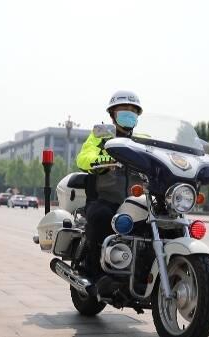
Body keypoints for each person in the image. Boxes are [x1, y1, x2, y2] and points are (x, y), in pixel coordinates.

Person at [76, 90, 143, 286]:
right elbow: (84, 157)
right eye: (123, 110)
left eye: (133, 111)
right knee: (101, 217)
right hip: (106, 198)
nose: (128, 114)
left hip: (137, 202)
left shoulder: (142, 140)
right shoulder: (102, 135)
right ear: (112, 114)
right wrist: (103, 159)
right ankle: (95, 273)